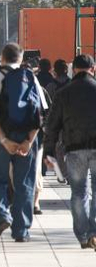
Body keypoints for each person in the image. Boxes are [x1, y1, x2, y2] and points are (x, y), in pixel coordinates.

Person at [0, 43, 47, 243]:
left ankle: (1, 215)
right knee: (24, 182)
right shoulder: (31, 77)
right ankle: (21, 230)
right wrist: (28, 141)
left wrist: (3, 139)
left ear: (2, 57)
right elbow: (40, 114)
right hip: (27, 137)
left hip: (1, 138)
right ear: (21, 58)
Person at [44, 54, 96, 249]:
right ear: (93, 69)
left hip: (74, 149)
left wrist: (48, 152)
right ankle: (94, 232)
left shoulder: (63, 93)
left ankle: (83, 235)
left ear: (74, 70)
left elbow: (52, 125)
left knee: (79, 192)